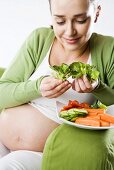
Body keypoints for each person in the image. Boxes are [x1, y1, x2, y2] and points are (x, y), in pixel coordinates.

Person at [0, 0, 114, 169]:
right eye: (60, 21)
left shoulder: (108, 49)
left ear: (96, 13)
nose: (70, 31)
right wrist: (37, 87)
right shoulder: (39, 39)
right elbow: (2, 92)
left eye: (80, 20)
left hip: (43, 153)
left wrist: (98, 87)